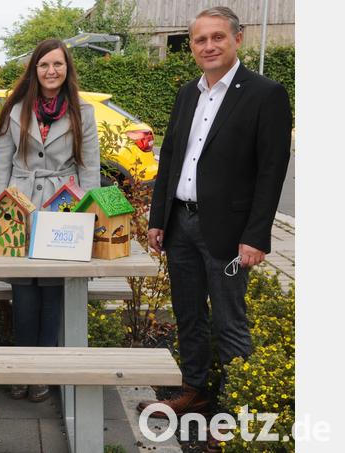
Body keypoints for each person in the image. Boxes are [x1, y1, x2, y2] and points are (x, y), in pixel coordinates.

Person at [138, 7, 292, 449]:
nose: (208, 46)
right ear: (192, 47)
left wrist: (257, 235)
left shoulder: (265, 93)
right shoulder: (188, 93)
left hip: (229, 230)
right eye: (200, 40)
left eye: (217, 37)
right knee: (187, 314)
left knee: (229, 322)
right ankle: (196, 390)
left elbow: (271, 170)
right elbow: (171, 158)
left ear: (237, 39)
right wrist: (157, 219)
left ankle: (236, 415)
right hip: (181, 223)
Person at [0, 39, 100, 403]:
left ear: (67, 68)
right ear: (34, 70)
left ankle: (43, 372)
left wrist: (89, 217)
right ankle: (23, 367)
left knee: (52, 288)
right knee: (23, 290)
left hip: (62, 207)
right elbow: (0, 166)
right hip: (20, 205)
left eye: (58, 64)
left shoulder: (82, 112)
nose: (51, 71)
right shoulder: (17, 109)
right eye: (44, 65)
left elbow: (89, 167)